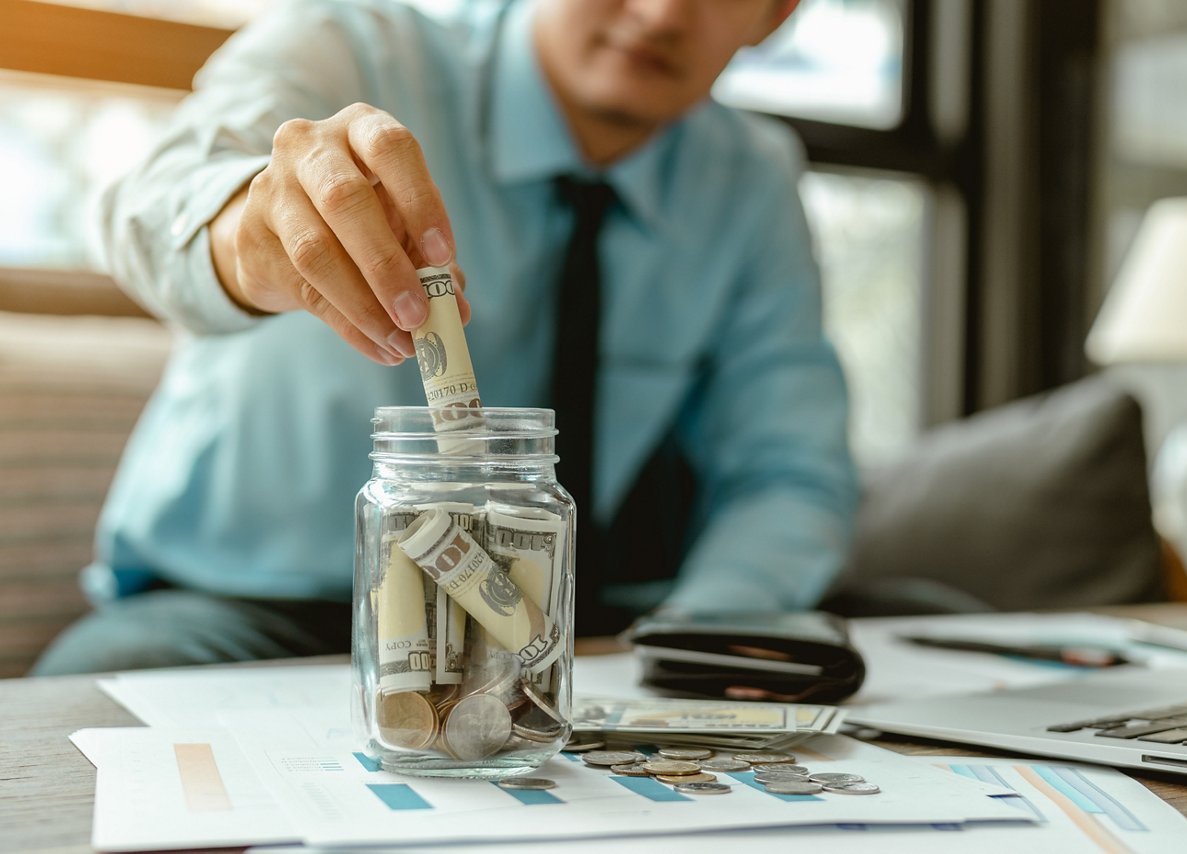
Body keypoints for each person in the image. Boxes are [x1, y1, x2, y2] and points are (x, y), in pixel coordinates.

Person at [32, 0, 856, 675]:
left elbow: (787, 470)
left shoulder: (751, 179)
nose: (661, 12)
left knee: (912, 618)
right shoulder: (349, 50)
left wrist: (689, 641)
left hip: (561, 618)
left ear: (775, 14)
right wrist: (249, 235)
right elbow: (147, 206)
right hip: (252, 609)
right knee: (106, 693)